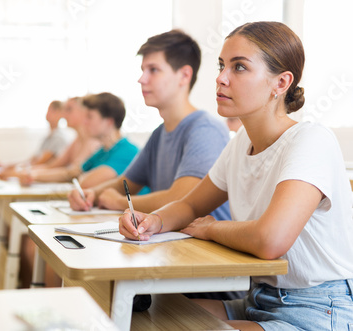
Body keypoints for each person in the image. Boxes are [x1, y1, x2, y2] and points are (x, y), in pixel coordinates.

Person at [119, 21, 353, 330]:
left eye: (239, 67)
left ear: (281, 83)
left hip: (316, 309)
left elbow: (270, 241)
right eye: (221, 65)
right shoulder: (241, 142)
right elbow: (190, 206)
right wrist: (153, 221)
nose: (221, 78)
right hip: (257, 298)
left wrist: (212, 228)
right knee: (141, 314)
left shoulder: (311, 140)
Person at [68, 30, 230, 220]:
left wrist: (120, 202)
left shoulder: (205, 129)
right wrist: (90, 194)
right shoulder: (159, 134)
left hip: (202, 247)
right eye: (143, 70)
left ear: (184, 75)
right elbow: (124, 184)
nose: (142, 79)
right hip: (171, 242)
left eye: (153, 70)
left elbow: (180, 199)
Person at [0, 97, 100, 184]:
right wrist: (24, 173)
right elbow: (52, 166)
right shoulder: (76, 140)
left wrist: (29, 174)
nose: (64, 115)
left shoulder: (92, 141)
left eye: (69, 109)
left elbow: (71, 173)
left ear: (83, 112)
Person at [0, 100, 73, 175]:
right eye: (48, 110)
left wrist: (15, 171)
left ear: (60, 114)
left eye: (52, 110)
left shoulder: (59, 137)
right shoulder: (47, 137)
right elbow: (32, 159)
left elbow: (41, 162)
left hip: (43, 173)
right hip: (35, 171)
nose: (47, 113)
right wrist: (8, 165)